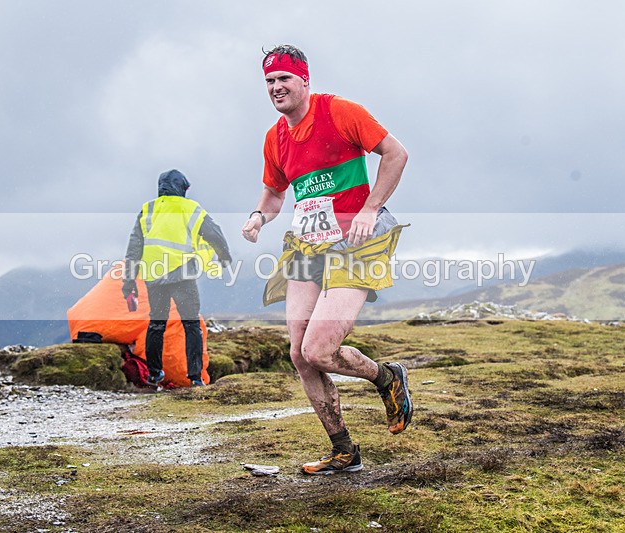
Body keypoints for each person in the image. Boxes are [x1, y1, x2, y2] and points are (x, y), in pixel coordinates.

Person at [241, 45, 412, 474]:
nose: (276, 87)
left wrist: (370, 209)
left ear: (304, 81)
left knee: (320, 349)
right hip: (307, 244)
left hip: (357, 241)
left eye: (284, 79)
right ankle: (343, 450)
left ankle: (386, 378)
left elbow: (396, 153)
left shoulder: (340, 112)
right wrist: (259, 215)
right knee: (300, 354)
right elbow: (276, 192)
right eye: (269, 81)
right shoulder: (275, 137)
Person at [124, 169, 231, 387]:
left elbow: (134, 247)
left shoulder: (148, 209)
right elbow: (214, 233)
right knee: (191, 324)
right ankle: (195, 378)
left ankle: (154, 375)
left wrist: (129, 281)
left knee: (156, 325)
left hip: (154, 275)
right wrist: (224, 257)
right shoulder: (190, 208)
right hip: (183, 274)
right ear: (182, 187)